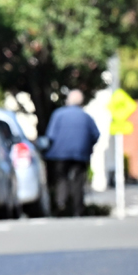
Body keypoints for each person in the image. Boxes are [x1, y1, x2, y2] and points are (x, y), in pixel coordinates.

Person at [43, 89, 100, 217]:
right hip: (80, 154)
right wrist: (88, 146)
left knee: (61, 178)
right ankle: (77, 209)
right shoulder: (86, 117)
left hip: (59, 154)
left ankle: (61, 203)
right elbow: (96, 135)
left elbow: (50, 136)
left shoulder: (58, 114)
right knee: (78, 181)